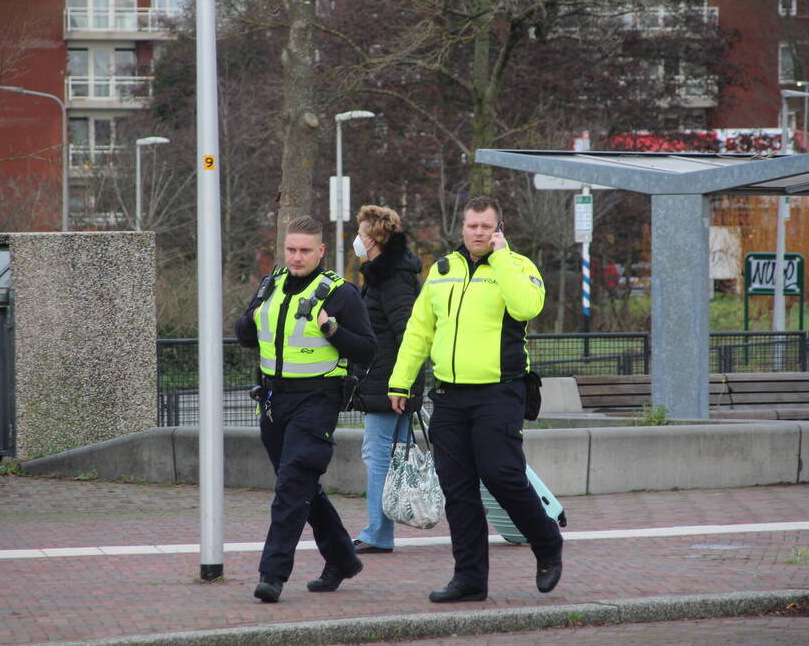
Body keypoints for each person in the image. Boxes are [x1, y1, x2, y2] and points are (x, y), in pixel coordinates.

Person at [387, 196, 563, 603]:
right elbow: (419, 330)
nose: (479, 232)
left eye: (487, 226)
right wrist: (400, 382)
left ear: (499, 229)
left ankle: (546, 541)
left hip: (499, 391)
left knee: (501, 473)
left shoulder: (517, 267)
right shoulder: (443, 269)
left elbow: (527, 306)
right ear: (462, 227)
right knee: (458, 488)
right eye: (472, 226)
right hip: (449, 395)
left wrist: (501, 260)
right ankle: (469, 579)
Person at [235, 215, 377, 603]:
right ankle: (343, 559)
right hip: (272, 402)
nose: (296, 258)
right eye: (290, 250)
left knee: (291, 486)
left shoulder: (340, 293)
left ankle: (272, 574)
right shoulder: (271, 284)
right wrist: (251, 319)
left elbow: (367, 350)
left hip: (317, 401)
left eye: (304, 251)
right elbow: (246, 334)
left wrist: (331, 329)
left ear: (320, 251)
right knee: (303, 489)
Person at [349, 205, 424, 553]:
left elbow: (409, 332)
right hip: (392, 383)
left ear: (374, 239)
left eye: (361, 234)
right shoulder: (388, 276)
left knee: (377, 456)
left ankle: (378, 533)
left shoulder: (392, 279)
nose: (357, 241)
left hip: (389, 386)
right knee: (389, 456)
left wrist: (401, 384)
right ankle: (380, 530)